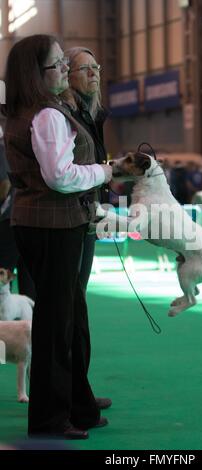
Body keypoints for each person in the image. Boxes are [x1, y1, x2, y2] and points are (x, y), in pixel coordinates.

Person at [3, 34, 112, 439]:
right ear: (37, 73)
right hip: (54, 225)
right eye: (58, 65)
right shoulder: (48, 115)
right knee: (56, 326)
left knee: (57, 321)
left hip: (40, 223)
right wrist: (106, 172)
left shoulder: (26, 111)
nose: (65, 70)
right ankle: (51, 418)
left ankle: (71, 407)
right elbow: (61, 177)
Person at [60, 47, 110, 293]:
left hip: (88, 214)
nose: (93, 73)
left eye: (96, 67)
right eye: (84, 68)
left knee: (78, 293)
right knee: (65, 295)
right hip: (64, 218)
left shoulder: (94, 116)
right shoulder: (63, 114)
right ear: (67, 75)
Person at [0, 125, 35, 299]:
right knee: (29, 278)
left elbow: (4, 185)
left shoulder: (2, 146)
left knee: (3, 272)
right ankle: (33, 323)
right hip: (29, 215)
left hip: (9, 220)